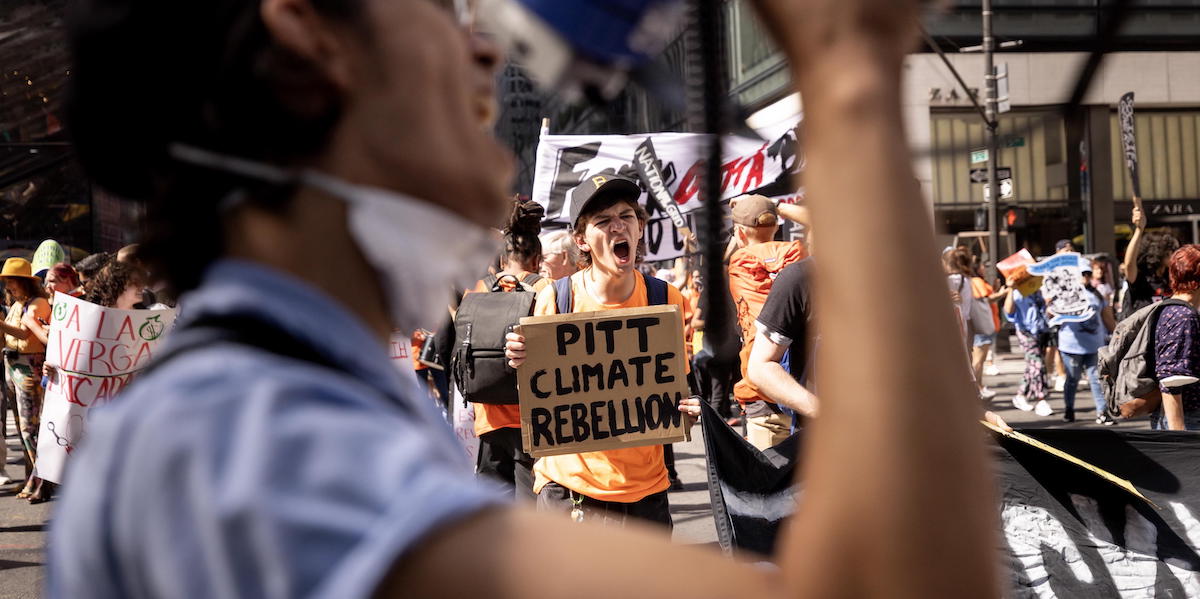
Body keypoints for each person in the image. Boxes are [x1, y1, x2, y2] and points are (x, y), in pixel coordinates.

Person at [50, 0, 998, 597]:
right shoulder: (250, 451)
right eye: (438, 6)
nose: (475, 48)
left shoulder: (258, 404)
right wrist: (849, 72)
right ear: (305, 31)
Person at [504, 176, 688, 526]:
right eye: (603, 221)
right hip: (571, 491)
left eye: (627, 216)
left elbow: (673, 394)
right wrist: (521, 361)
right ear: (581, 240)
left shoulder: (665, 300)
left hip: (647, 495)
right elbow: (537, 397)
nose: (618, 226)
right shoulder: (558, 299)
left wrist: (690, 410)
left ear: (639, 229)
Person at [470, 198, 549, 499]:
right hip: (531, 418)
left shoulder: (477, 290)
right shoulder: (546, 291)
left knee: (494, 509)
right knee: (530, 510)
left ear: (503, 259)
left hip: (487, 416)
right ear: (537, 259)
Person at [726, 194, 808, 449]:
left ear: (739, 233)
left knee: (772, 481)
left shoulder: (739, 264)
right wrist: (776, 205)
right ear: (777, 226)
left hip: (762, 392)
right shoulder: (798, 256)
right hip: (804, 386)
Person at [0, 258, 51, 502]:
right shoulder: (18, 305)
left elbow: (24, 333)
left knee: (29, 429)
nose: (8, 288)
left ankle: (42, 480)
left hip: (29, 368)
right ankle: (31, 478)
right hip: (14, 367)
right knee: (23, 429)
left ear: (23, 283)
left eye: (11, 283)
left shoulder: (37, 303)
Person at [1054, 269, 1115, 424]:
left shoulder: (1096, 294)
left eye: (1088, 274)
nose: (1086, 277)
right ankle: (1069, 409)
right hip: (1071, 345)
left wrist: (1117, 334)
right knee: (1073, 378)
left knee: (1096, 378)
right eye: (1082, 274)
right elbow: (1051, 314)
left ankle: (1102, 411)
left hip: (1094, 344)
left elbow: (1106, 316)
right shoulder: (1063, 293)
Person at [1151, 245, 1200, 431]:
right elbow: (1170, 380)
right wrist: (1179, 437)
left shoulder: (1172, 308)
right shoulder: (1182, 316)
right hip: (1187, 419)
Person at [1121, 199, 1180, 320]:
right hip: (1142, 337)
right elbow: (1129, 264)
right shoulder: (1140, 279)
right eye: (1169, 252)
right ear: (1158, 253)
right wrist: (1139, 230)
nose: (1174, 255)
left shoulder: (1170, 279)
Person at [1005, 282, 1053, 417]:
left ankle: (1020, 395)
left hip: (1040, 330)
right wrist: (1011, 288)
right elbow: (1009, 310)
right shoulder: (1016, 290)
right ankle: (1041, 399)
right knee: (1038, 364)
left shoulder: (1037, 288)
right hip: (1024, 331)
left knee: (1032, 366)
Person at [970, 265, 1006, 400]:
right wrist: (1003, 293)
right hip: (982, 326)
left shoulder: (977, 281)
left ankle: (979, 387)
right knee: (978, 361)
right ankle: (976, 388)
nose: (984, 268)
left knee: (980, 360)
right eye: (981, 266)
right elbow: (986, 300)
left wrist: (996, 290)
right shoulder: (976, 281)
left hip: (984, 325)